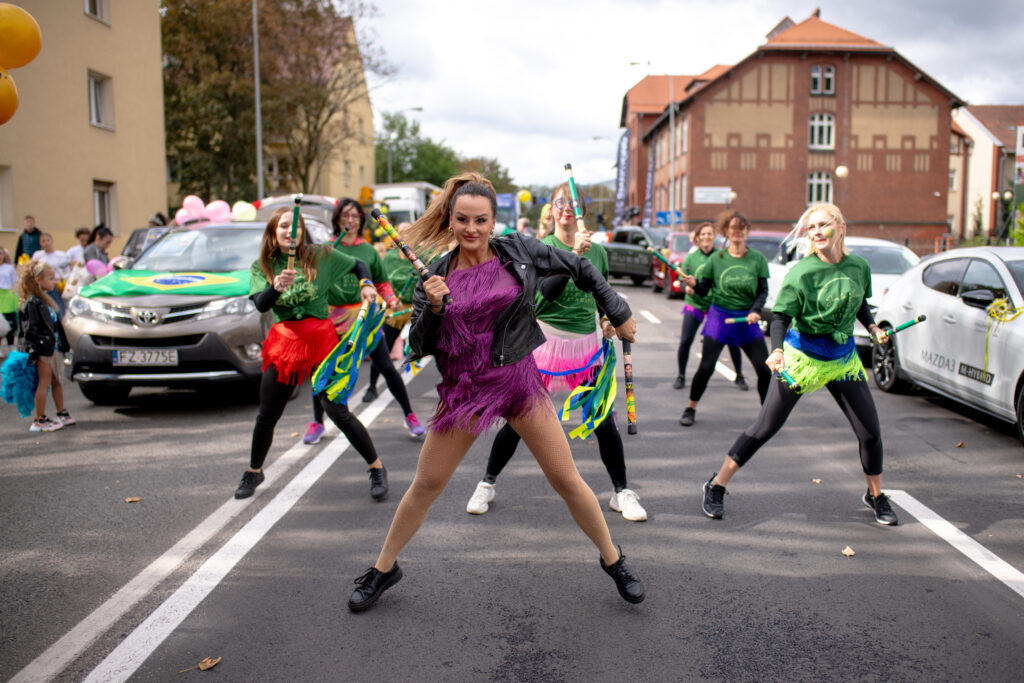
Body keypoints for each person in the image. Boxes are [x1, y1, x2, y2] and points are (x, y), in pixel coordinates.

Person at [347, 173, 645, 613]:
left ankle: (614, 560)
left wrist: (618, 311)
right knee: (426, 483)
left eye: (481, 220)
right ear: (451, 220)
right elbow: (417, 346)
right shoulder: (434, 276)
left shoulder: (518, 250)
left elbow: (579, 267)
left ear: (493, 222)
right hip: (466, 390)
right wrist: (432, 307)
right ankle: (383, 569)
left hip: (519, 381)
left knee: (566, 479)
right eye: (463, 219)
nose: (471, 229)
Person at [700, 203, 898, 526]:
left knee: (870, 432)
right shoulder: (802, 272)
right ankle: (716, 484)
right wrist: (777, 351)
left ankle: (875, 496)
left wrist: (874, 328)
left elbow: (860, 302)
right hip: (802, 358)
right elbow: (780, 317)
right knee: (765, 427)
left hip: (842, 358)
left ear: (840, 226)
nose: (817, 232)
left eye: (823, 225)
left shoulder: (859, 267)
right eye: (812, 228)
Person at [465, 181, 647, 522]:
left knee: (603, 420)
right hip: (544, 345)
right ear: (552, 210)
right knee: (519, 419)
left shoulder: (600, 252)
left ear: (581, 211)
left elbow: (601, 293)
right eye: (561, 202)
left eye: (573, 203)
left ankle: (622, 492)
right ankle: (487, 483)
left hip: (586, 347)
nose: (567, 208)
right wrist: (574, 255)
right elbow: (544, 294)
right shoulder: (539, 247)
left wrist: (608, 320)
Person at [235, 208, 388, 500]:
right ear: (272, 232)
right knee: (267, 415)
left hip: (321, 342)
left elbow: (358, 265)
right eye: (283, 227)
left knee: (337, 412)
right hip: (285, 344)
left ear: (303, 232)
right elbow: (261, 305)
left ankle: (376, 467)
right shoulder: (262, 266)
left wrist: (366, 285)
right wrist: (276, 287)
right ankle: (254, 472)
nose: (290, 233)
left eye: (296, 228)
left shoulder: (320, 256)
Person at [301, 199, 426, 444]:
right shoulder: (326, 248)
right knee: (321, 370)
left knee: (387, 367)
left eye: (355, 216)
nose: (350, 220)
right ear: (337, 219)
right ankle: (317, 422)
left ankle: (409, 415)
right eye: (345, 216)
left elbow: (381, 282)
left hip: (362, 318)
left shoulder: (368, 251)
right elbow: (312, 282)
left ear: (360, 219)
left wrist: (390, 299)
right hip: (330, 319)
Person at [679, 210, 772, 427]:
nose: (738, 233)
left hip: (747, 318)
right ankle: (690, 407)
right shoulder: (716, 259)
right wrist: (693, 285)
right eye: (733, 229)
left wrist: (756, 309)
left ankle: (767, 416)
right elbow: (703, 290)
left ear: (747, 231)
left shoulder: (757, 259)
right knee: (706, 366)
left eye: (742, 229)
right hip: (719, 318)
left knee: (764, 369)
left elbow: (763, 291)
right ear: (727, 232)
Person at [673, 222, 748, 392]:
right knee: (685, 341)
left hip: (716, 307)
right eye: (703, 234)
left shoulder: (721, 257)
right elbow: (682, 282)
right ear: (698, 237)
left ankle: (740, 376)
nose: (706, 237)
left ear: (714, 237)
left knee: (732, 341)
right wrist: (688, 289)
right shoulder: (691, 258)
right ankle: (681, 375)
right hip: (695, 306)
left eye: (709, 234)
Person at [362, 221, 421, 403]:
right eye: (401, 233)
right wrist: (391, 300)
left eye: (409, 232)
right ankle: (372, 387)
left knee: (437, 348)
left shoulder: (422, 255)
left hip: (419, 309)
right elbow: (382, 283)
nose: (405, 236)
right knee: (381, 348)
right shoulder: (388, 258)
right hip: (395, 310)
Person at [17, 260, 74, 431]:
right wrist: (33, 351)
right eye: (50, 278)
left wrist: (63, 345)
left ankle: (61, 412)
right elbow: (30, 330)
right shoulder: (33, 303)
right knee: (44, 382)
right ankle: (39, 419)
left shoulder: (45, 300)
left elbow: (55, 326)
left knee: (57, 381)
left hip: (53, 348)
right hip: (43, 350)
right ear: (38, 281)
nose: (54, 281)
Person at [31, 233, 71, 319]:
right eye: (43, 241)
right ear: (40, 243)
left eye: (48, 240)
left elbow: (68, 271)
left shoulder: (61, 255)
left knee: (59, 307)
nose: (46, 243)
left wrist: (61, 278)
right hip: (42, 286)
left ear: (52, 241)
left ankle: (61, 323)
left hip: (57, 285)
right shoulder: (38, 255)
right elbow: (34, 269)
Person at [0, 247, 18, 354]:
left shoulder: (9, 268)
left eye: (0, 253)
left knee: (10, 322)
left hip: (7, 297)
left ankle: (11, 346)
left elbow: (15, 282)